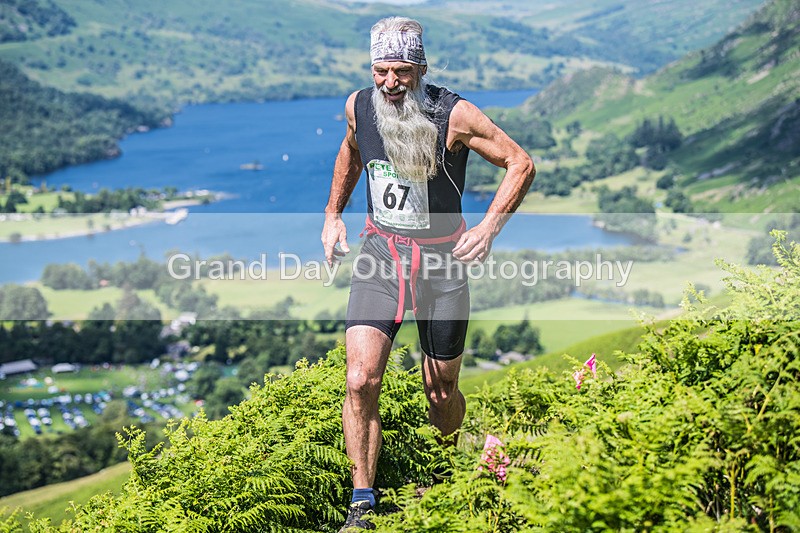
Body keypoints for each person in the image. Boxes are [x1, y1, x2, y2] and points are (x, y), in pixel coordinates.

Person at [321, 16, 535, 531]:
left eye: (400, 72)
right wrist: (332, 214)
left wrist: (487, 229)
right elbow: (351, 149)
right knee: (359, 379)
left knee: (441, 391)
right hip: (380, 256)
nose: (389, 84)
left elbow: (520, 162)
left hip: (442, 264)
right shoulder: (359, 106)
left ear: (420, 67)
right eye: (380, 71)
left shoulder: (453, 114)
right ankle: (363, 503)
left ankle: (442, 472)